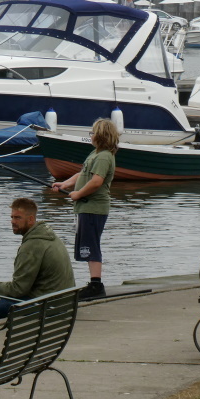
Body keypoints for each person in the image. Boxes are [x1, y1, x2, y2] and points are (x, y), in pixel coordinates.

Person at [0, 198, 75, 323]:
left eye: (18, 218)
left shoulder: (32, 246)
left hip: (49, 308)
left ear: (31, 219)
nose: (13, 221)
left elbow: (18, 289)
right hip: (65, 304)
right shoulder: (50, 236)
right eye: (12, 217)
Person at [51, 118, 119, 301]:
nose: (91, 135)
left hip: (93, 208)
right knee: (87, 245)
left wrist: (78, 193)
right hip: (86, 207)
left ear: (101, 136)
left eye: (93, 133)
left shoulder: (104, 156)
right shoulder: (95, 154)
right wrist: (64, 183)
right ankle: (94, 283)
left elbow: (96, 182)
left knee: (91, 245)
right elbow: (83, 173)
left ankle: (96, 285)